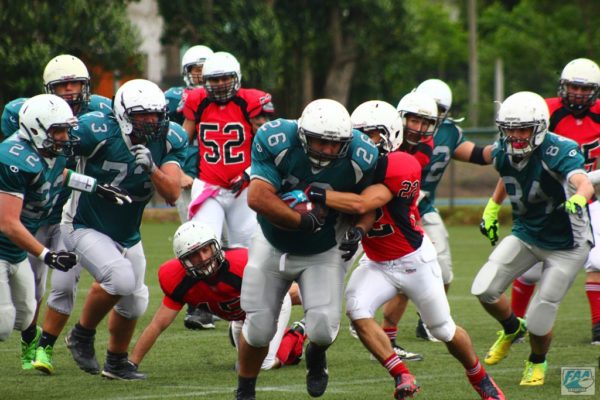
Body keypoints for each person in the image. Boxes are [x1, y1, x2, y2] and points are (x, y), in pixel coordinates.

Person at [302, 99, 504, 400]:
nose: (364, 143)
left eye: (372, 135)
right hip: (377, 262)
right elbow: (358, 209)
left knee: (443, 330)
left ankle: (480, 378)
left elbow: (364, 204)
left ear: (390, 135)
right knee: (357, 311)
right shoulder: (348, 167)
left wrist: (315, 191)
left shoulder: (402, 164)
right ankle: (400, 374)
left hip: (414, 261)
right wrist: (355, 230)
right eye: (359, 135)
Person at [234, 99, 378, 400]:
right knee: (259, 329)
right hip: (271, 241)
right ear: (302, 134)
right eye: (319, 141)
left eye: (333, 143)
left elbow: (370, 204)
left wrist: (359, 230)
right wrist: (302, 221)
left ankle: (315, 355)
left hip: (323, 249)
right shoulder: (277, 140)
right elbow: (258, 197)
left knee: (324, 329)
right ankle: (245, 389)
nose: (326, 149)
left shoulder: (361, 155)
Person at [61, 79, 186, 380]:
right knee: (120, 278)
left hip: (127, 233)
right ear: (123, 114)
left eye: (157, 115)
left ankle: (116, 362)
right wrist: (90, 184)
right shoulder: (95, 129)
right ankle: (81, 334)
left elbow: (172, 194)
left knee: (135, 301)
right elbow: (52, 165)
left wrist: (153, 169)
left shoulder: (171, 138)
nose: (152, 121)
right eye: (144, 115)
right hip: (82, 222)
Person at [1, 54, 115, 373]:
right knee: (32, 292)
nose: (69, 91)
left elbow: (64, 173)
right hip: (32, 220)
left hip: (68, 215)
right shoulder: (21, 129)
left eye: (75, 83)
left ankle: (44, 349)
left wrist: (98, 186)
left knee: (63, 286)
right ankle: (29, 340)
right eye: (62, 84)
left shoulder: (94, 117)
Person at [473, 91, 593, 386]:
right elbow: (506, 173)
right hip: (527, 233)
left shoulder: (559, 150)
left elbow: (583, 181)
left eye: (522, 129)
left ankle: (537, 360)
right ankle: (513, 328)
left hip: (567, 244)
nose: (514, 136)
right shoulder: (503, 150)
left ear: (540, 127)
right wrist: (492, 207)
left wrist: (579, 198)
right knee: (484, 288)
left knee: (541, 317)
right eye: (509, 129)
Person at [380, 80, 495, 343]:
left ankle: (429, 319)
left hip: (423, 205)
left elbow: (478, 154)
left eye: (435, 109)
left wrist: (504, 147)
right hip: (385, 205)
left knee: (441, 269)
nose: (424, 116)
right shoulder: (394, 126)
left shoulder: (447, 133)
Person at [499, 58, 600, 345]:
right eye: (573, 86)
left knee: (597, 263)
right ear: (563, 86)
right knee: (530, 269)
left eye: (585, 88)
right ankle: (515, 326)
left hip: (588, 191)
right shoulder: (546, 110)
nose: (579, 93)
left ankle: (598, 327)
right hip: (550, 195)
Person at [127, 221, 304, 378]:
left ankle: (301, 331)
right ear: (183, 259)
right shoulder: (179, 280)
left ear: (215, 246)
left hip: (271, 305)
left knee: (261, 364)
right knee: (245, 364)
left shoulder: (242, 263)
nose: (203, 258)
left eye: (205, 249)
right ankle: (247, 329)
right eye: (195, 254)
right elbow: (158, 324)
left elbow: (281, 290)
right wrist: (131, 363)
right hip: (240, 316)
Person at [181, 51, 274, 330]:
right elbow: (182, 138)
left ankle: (242, 302)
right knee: (201, 245)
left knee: (246, 251)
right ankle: (200, 306)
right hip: (208, 186)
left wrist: (248, 173)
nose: (220, 84)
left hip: (242, 189)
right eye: (214, 79)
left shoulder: (250, 102)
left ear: (237, 79)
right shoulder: (196, 102)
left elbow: (267, 144)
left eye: (225, 78)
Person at [165, 44, 217, 331]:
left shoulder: (228, 100)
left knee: (230, 241)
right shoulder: (175, 100)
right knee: (198, 241)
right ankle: (198, 306)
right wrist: (178, 172)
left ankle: (219, 299)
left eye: (207, 70)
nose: (202, 76)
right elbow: (168, 140)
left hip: (219, 180)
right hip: (190, 180)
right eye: (197, 70)